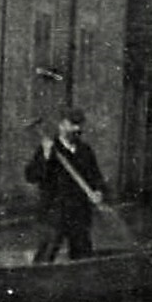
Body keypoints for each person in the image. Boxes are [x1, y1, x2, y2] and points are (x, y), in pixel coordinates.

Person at [25, 107, 109, 262]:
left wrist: (98, 191)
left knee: (82, 256)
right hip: (54, 212)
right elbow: (31, 176)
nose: (77, 129)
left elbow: (96, 176)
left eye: (79, 124)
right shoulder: (48, 149)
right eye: (73, 124)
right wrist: (45, 155)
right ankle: (38, 280)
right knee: (46, 254)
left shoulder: (85, 150)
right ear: (61, 125)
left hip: (79, 212)